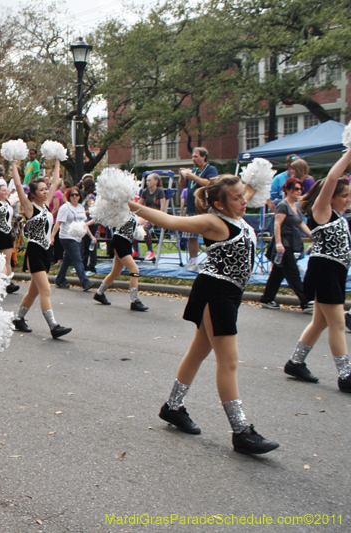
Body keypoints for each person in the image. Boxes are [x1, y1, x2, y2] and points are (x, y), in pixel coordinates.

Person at [129, 174, 279, 454]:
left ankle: (173, 407)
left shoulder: (233, 212)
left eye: (242, 194)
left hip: (228, 293)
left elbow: (230, 188)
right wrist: (127, 202)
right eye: (236, 197)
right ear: (219, 205)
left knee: (198, 352)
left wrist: (253, 179)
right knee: (229, 361)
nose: (243, 198)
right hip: (216, 292)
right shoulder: (214, 221)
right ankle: (241, 431)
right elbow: (170, 221)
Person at [281, 150, 351, 392]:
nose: (347, 199)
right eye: (343, 195)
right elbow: (332, 178)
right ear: (329, 197)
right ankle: (346, 375)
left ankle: (295, 362)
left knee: (320, 322)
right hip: (325, 270)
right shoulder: (323, 212)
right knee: (338, 323)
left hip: (334, 271)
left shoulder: (338, 216)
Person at [10, 158, 72, 339]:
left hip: (46, 252)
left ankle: (18, 319)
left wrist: (58, 161)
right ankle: (54, 326)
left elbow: (56, 181)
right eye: (42, 190)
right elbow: (19, 186)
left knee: (33, 291)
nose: (46, 191)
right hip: (35, 251)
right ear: (34, 194)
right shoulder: (29, 208)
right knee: (45, 290)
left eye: (46, 189)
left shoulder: (45, 205)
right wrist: (14, 164)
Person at [259, 178, 313, 312]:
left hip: (292, 242)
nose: (299, 191)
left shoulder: (297, 206)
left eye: (300, 189)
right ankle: (305, 301)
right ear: (288, 190)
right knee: (292, 272)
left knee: (278, 272)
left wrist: (312, 236)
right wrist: (278, 243)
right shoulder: (283, 205)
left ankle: (266, 298)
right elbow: (277, 224)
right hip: (284, 243)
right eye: (295, 189)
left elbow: (300, 223)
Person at [92, 209, 149, 311]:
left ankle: (99, 293)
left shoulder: (133, 214)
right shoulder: (122, 210)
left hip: (126, 243)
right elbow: (101, 217)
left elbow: (140, 220)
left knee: (115, 272)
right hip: (120, 242)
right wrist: (85, 224)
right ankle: (134, 301)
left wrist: (149, 215)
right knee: (134, 270)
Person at [179, 147, 219, 271]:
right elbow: (183, 186)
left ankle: (213, 261)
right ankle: (193, 262)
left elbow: (210, 183)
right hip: (191, 207)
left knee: (210, 235)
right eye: (192, 156)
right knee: (191, 236)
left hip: (205, 208)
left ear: (204, 157)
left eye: (196, 156)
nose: (193, 159)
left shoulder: (211, 169)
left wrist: (193, 177)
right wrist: (182, 176)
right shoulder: (194, 171)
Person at [53, 188, 95, 291]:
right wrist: (52, 235)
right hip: (67, 236)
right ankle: (85, 282)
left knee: (67, 260)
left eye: (77, 194)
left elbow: (84, 224)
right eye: (72, 195)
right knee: (77, 259)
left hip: (78, 237)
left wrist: (91, 236)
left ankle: (59, 280)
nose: (75, 197)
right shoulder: (65, 207)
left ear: (80, 196)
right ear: (69, 197)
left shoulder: (81, 208)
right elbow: (58, 222)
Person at [133, 173, 167, 261]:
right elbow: (139, 204)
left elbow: (163, 205)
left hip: (155, 214)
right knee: (134, 226)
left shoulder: (160, 191)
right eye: (147, 180)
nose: (147, 182)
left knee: (145, 228)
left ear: (156, 181)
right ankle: (135, 250)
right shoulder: (145, 191)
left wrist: (160, 217)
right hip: (146, 213)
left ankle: (150, 251)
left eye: (149, 180)